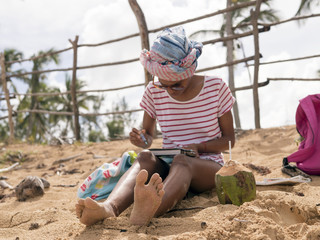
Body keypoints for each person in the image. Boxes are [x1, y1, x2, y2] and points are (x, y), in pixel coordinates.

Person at [75, 26, 235, 226]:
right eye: (163, 84)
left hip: (207, 167)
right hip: (170, 164)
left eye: (176, 84)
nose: (169, 91)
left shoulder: (216, 88)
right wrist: (142, 140)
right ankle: (110, 208)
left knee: (183, 161)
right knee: (145, 157)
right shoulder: (153, 91)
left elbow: (229, 140)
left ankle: (149, 210)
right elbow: (148, 135)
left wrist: (199, 148)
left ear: (190, 71)